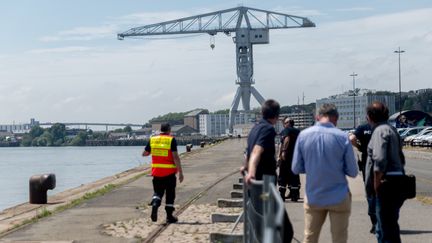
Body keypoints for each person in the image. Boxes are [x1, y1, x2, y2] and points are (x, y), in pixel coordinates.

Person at [292, 103, 358, 243]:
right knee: (339, 238)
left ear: (317, 117)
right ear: (336, 119)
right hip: (339, 196)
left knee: (310, 237)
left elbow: (296, 168)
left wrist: (312, 166)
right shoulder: (342, 137)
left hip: (314, 195)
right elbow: (352, 172)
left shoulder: (303, 136)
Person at [243, 99, 293, 242]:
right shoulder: (268, 129)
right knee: (285, 231)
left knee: (268, 228)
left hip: (258, 189)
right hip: (264, 188)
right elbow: (256, 151)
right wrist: (251, 172)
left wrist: (245, 167)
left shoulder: (255, 129)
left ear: (262, 113)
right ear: (277, 116)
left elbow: (247, 154)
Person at [365, 101, 406, 243]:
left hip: (386, 184)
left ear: (369, 116)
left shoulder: (379, 131)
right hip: (397, 182)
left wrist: (376, 185)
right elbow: (401, 158)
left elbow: (380, 160)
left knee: (384, 230)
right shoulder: (392, 130)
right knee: (389, 228)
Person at [142, 123, 184, 224]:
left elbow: (144, 154)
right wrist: (181, 172)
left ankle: (155, 204)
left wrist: (156, 151)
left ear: (160, 130)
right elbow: (175, 157)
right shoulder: (171, 139)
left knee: (158, 192)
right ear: (169, 130)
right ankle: (169, 217)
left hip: (156, 172)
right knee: (170, 194)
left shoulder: (153, 139)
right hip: (169, 173)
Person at [350, 123, 376, 234]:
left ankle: (375, 222)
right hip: (385, 161)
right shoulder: (386, 127)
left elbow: (351, 138)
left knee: (370, 192)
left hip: (368, 161)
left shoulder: (363, 128)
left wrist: (359, 147)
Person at [278, 117, 301, 202]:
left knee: (283, 175)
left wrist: (282, 152)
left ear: (287, 123)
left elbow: (286, 139)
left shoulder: (286, 130)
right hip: (296, 157)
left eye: (284, 123)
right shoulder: (298, 131)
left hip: (287, 157)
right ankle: (294, 196)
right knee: (294, 176)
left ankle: (281, 196)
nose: (284, 125)